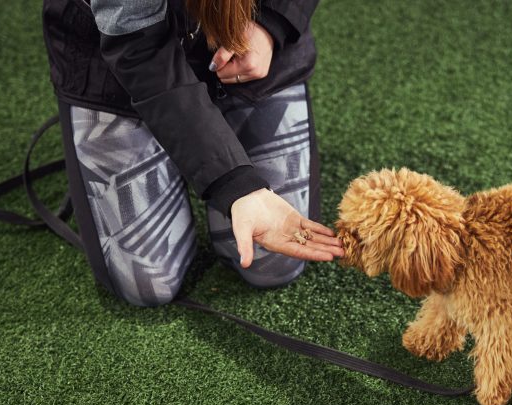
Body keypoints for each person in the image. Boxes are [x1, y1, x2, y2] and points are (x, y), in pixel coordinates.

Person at [41, 0, 344, 306]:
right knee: (147, 281)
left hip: (247, 30)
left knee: (275, 264)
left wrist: (270, 24)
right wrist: (234, 184)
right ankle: (179, 132)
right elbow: (140, 52)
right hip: (121, 62)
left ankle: (203, 125)